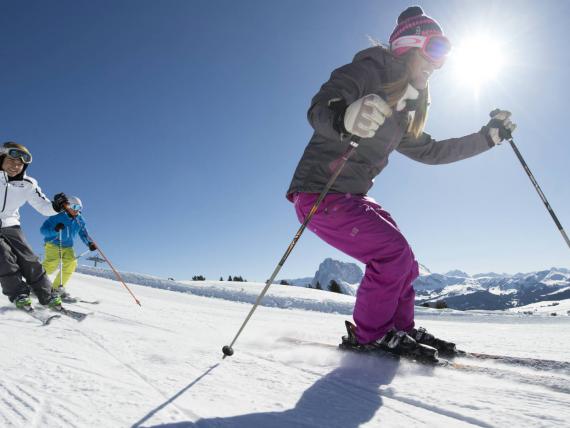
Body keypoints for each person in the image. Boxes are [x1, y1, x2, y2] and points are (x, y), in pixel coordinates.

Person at [286, 6, 516, 357]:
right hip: (320, 193)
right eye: (437, 49)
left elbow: (432, 152)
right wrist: (343, 117)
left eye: (445, 55)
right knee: (390, 253)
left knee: (405, 261)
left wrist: (487, 137)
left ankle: (399, 327)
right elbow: (321, 106)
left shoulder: (403, 109)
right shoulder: (369, 69)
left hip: (352, 196)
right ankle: (368, 335)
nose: (439, 63)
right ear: (409, 45)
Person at [0, 142, 70, 310]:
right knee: (3, 256)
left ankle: (47, 295)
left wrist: (56, 206)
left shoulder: (28, 184)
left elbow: (43, 206)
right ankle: (19, 294)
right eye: (11, 160)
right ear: (1, 158)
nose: (15, 166)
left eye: (20, 164)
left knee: (29, 259)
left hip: (11, 224)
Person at [40, 196, 96, 301]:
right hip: (54, 243)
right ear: (67, 205)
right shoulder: (56, 216)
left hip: (68, 246)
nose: (76, 210)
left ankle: (56, 288)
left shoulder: (79, 219)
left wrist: (89, 243)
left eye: (79, 208)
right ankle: (37, 284)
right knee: (52, 264)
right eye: (74, 206)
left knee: (71, 264)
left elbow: (83, 233)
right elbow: (43, 230)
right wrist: (55, 230)